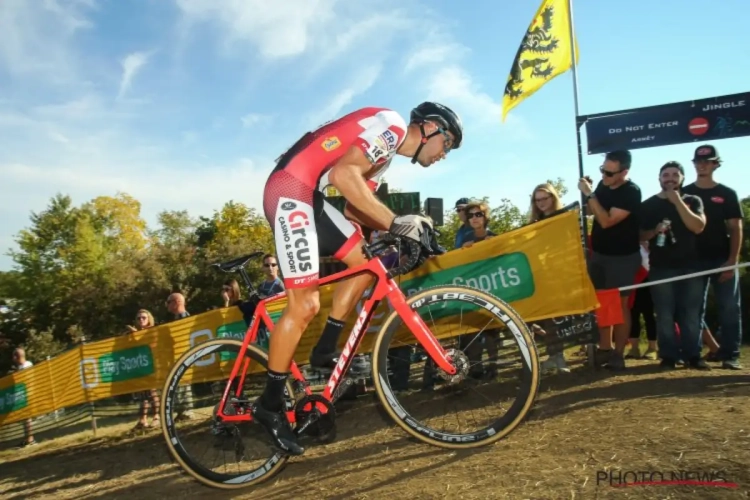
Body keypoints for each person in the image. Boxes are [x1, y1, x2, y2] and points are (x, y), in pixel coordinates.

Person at [252, 103, 463, 455]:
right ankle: (269, 405)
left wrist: (410, 234)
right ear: (428, 128)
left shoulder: (386, 155)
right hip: (290, 190)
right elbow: (343, 177)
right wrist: (398, 223)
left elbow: (353, 209)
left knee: (370, 264)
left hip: (310, 197)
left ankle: (325, 349)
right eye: (449, 142)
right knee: (305, 305)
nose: (446, 153)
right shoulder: (392, 126)